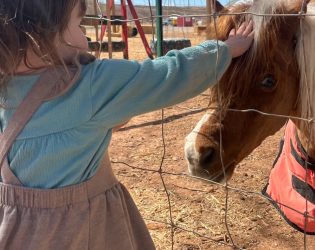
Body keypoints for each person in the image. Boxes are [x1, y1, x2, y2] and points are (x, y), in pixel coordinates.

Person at [0, 0, 254, 249]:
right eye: (79, 26)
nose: (85, 38)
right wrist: (225, 50)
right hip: (84, 231)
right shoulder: (90, 85)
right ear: (45, 34)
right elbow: (166, 74)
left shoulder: (5, 91)